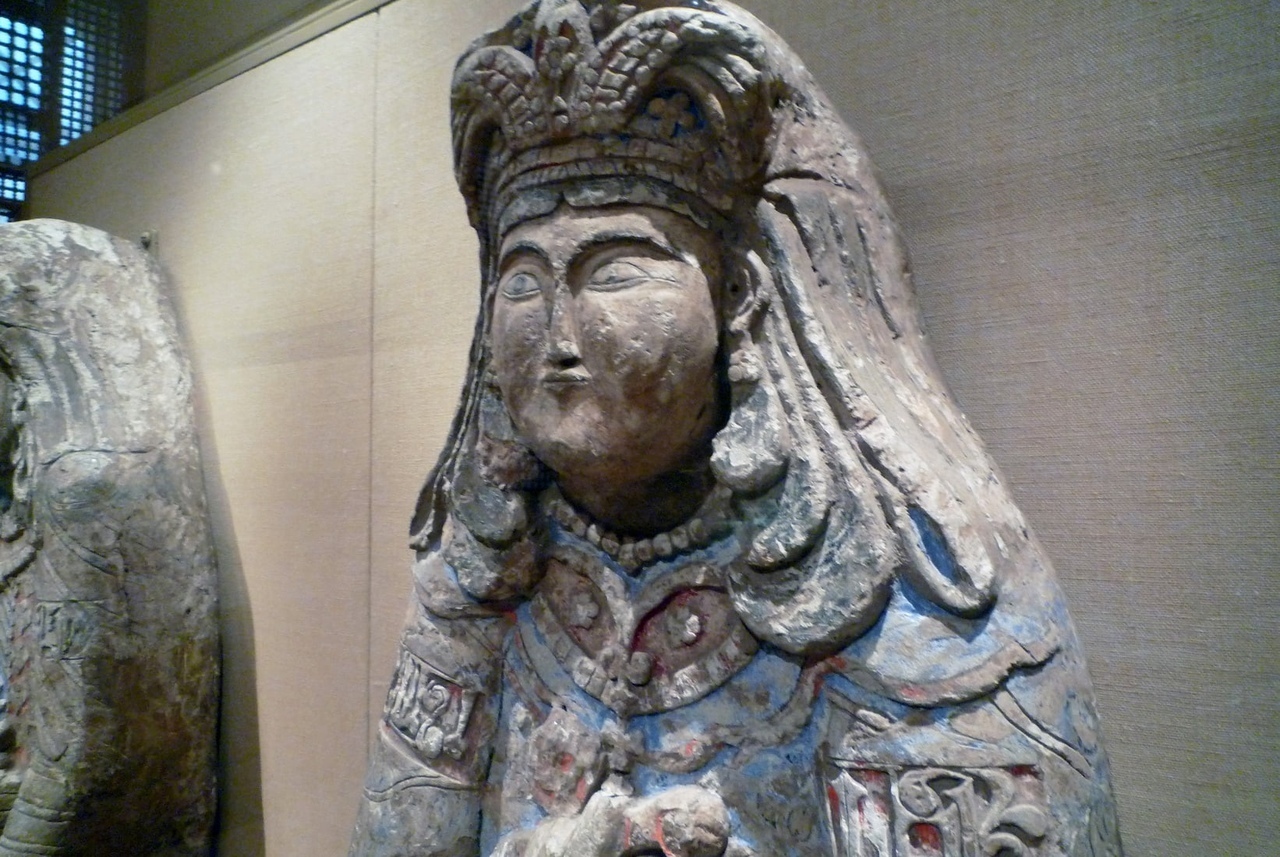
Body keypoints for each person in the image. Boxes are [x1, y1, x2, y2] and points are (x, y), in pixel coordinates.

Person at [352, 2, 1123, 855]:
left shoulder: (929, 612)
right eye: (524, 282)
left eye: (615, 272)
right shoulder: (472, 583)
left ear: (737, 297)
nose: (561, 337)